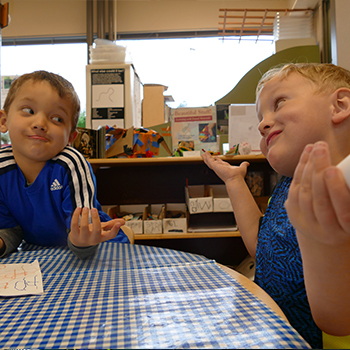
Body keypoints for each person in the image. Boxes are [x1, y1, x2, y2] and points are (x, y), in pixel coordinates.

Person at [202, 62, 350, 349]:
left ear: (339, 105)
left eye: (279, 103)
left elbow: (338, 321)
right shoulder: (286, 187)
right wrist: (234, 183)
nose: (262, 123)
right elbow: (265, 247)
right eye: (261, 117)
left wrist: (321, 240)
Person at [0, 70, 129, 260]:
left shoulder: (70, 164)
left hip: (101, 249)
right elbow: (10, 230)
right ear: (4, 121)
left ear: (70, 137)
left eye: (57, 119)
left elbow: (83, 232)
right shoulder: (2, 169)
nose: (40, 123)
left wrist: (81, 241)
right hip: (42, 254)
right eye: (29, 111)